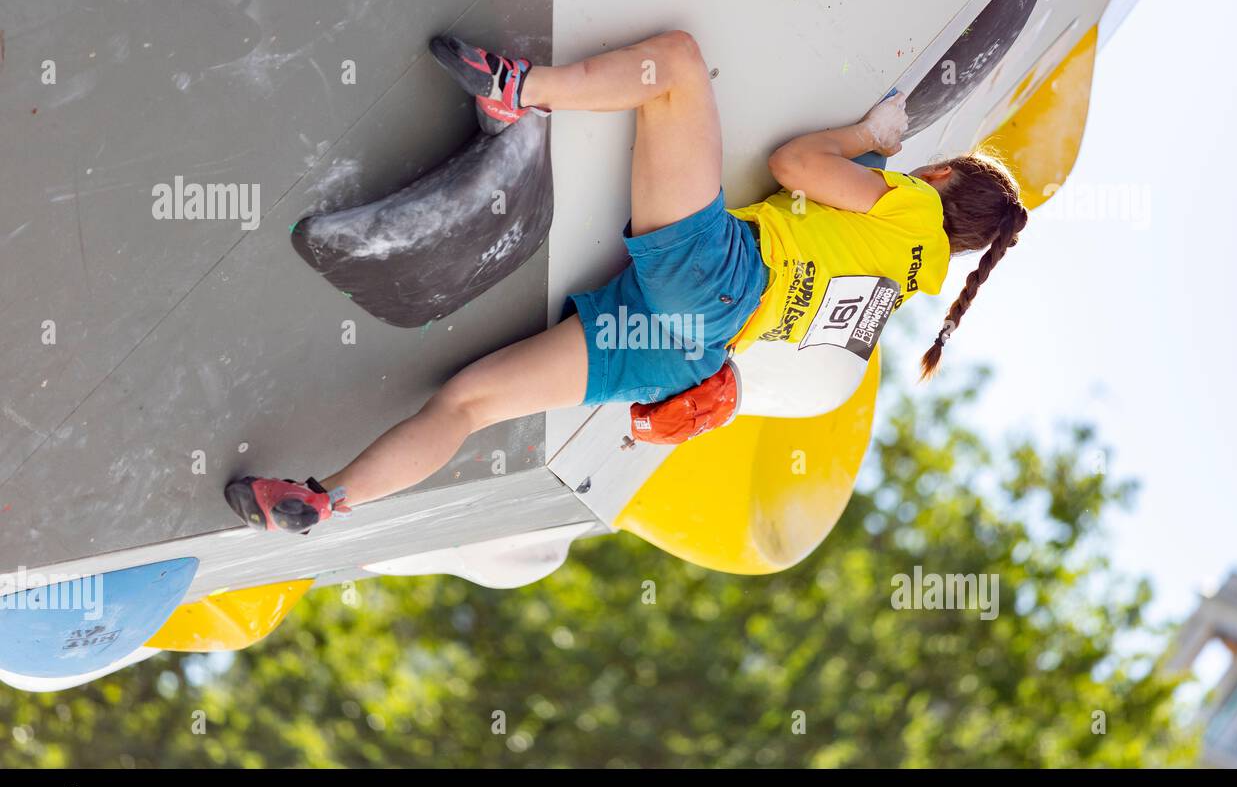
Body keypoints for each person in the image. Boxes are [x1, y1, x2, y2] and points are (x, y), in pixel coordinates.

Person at [224, 30, 1029, 533]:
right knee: (465, 405)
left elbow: (793, 165)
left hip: (718, 278)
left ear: (946, 180)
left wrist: (870, 135)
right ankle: (327, 500)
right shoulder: (902, 291)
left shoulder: (915, 208)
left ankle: (518, 92)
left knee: (676, 65)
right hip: (685, 352)